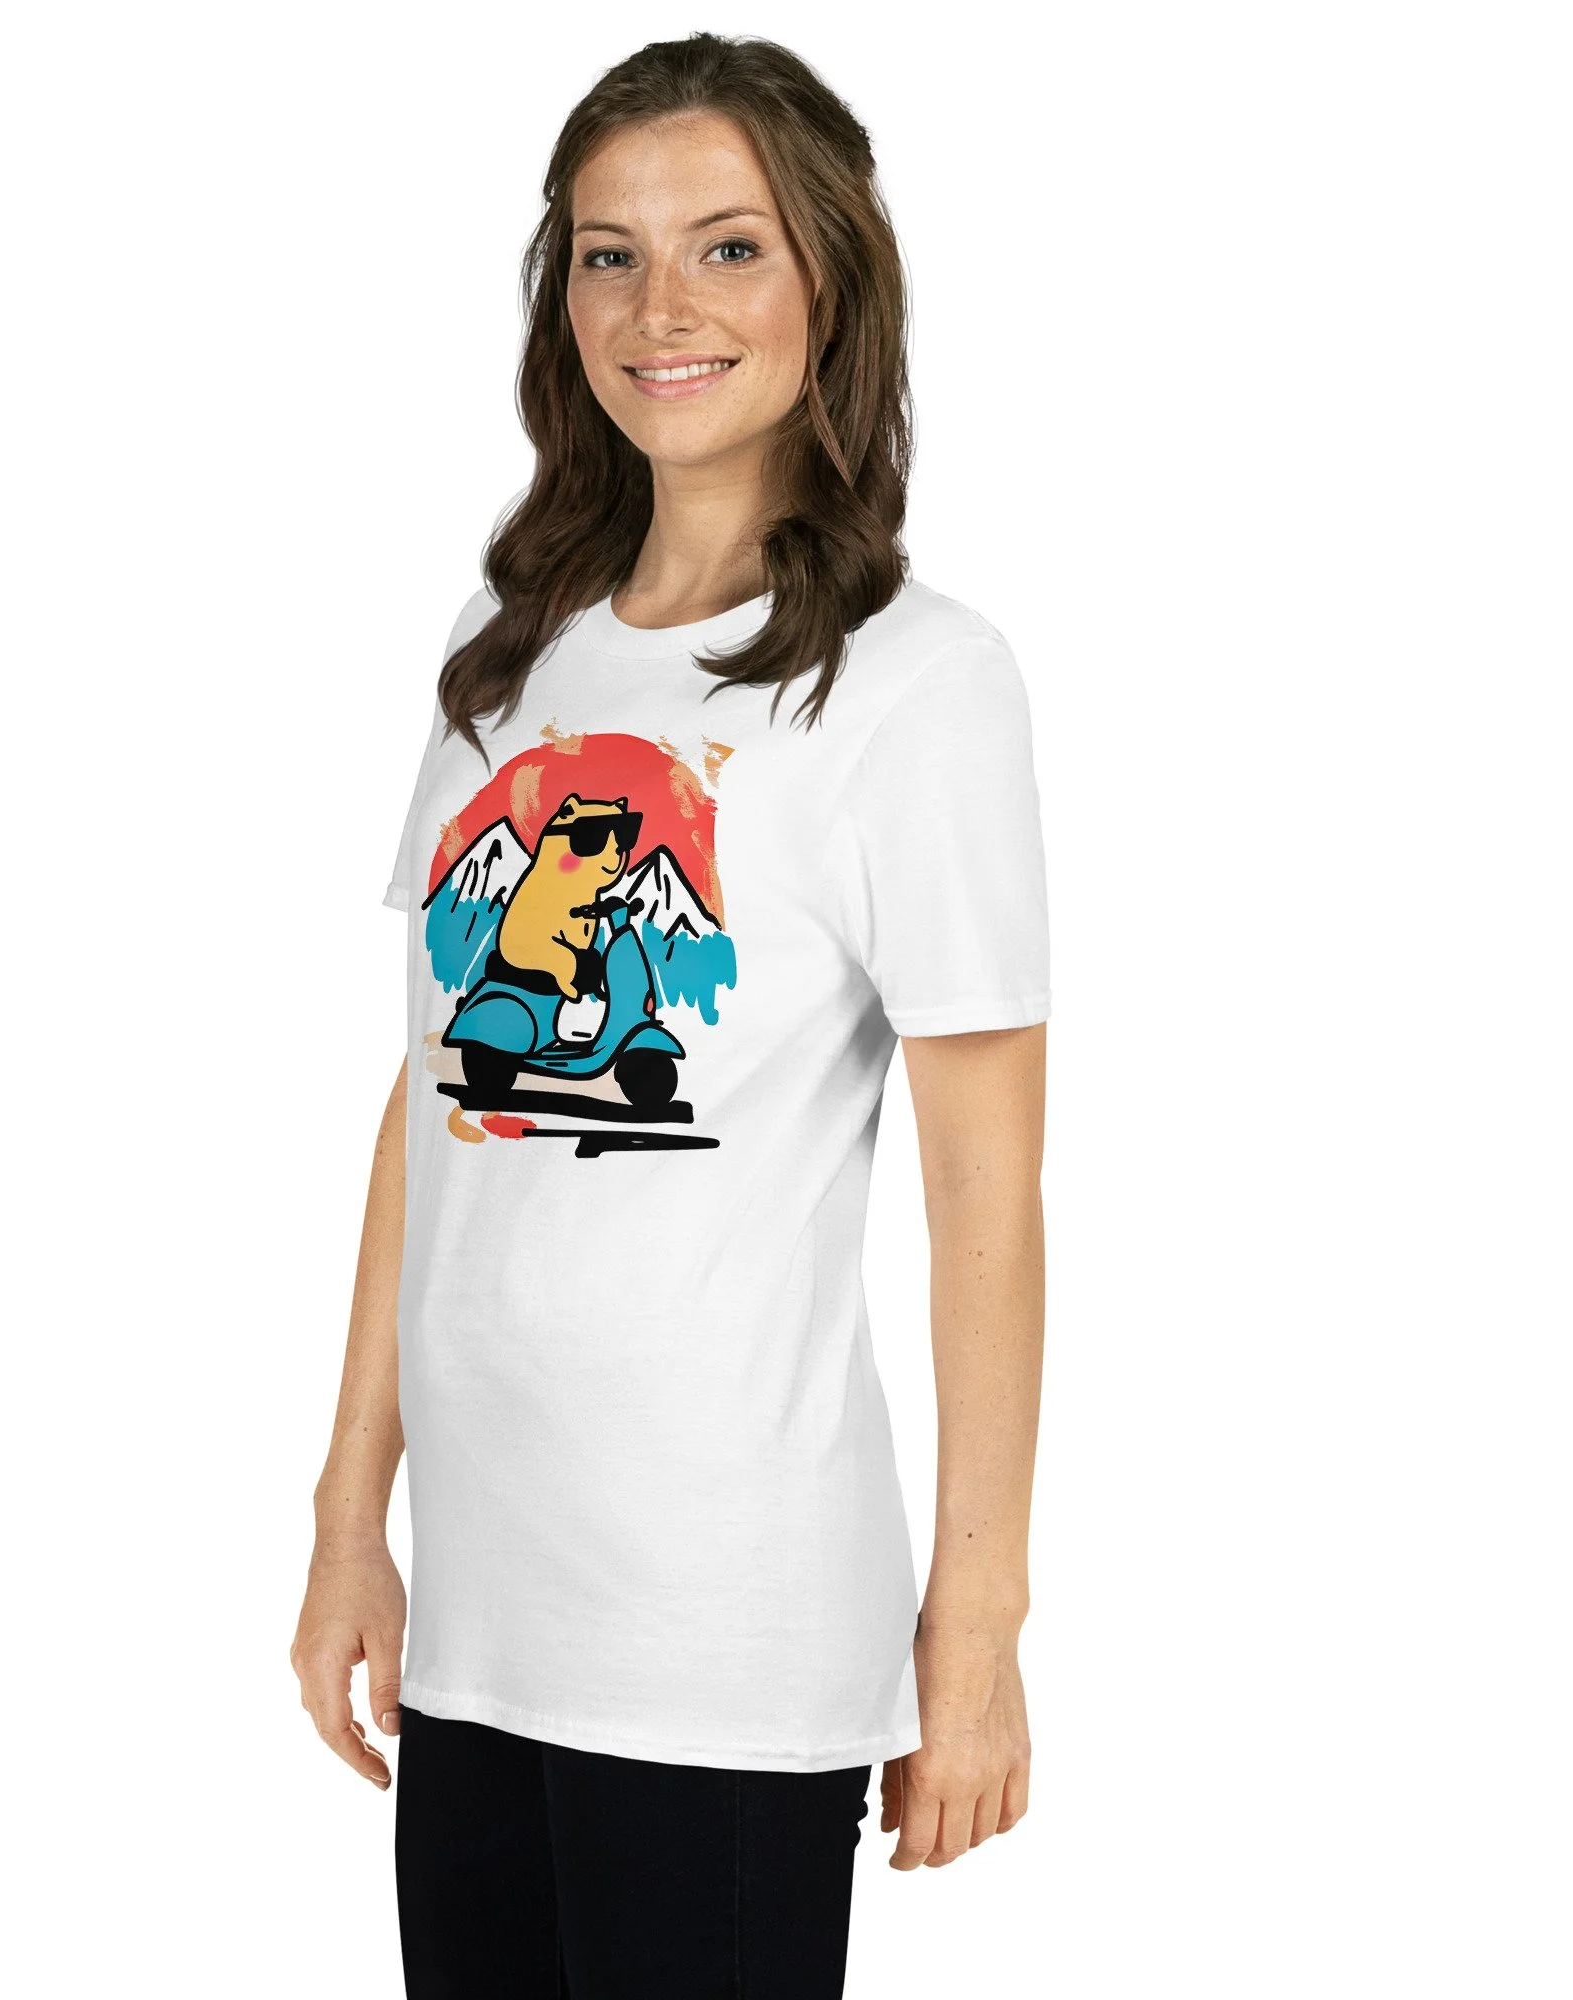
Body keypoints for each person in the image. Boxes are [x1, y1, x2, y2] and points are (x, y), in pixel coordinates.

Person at [291, 32, 1050, 1998]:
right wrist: (348, 1511)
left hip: (723, 1635)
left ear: (829, 282)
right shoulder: (504, 659)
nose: (661, 310)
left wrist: (975, 1634)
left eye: (727, 248)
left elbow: (986, 1189)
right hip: (481, 1628)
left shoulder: (914, 682)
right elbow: (433, 1103)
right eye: (607, 256)